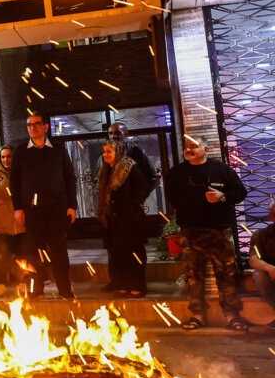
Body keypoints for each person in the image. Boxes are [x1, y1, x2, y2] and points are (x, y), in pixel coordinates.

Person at [164, 133, 249, 331]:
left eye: (194, 146)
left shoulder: (221, 170)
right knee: (193, 275)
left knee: (226, 273)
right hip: (190, 231)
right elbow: (172, 197)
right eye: (186, 146)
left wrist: (222, 196)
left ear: (206, 150)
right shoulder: (176, 173)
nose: (189, 149)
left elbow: (240, 192)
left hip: (219, 230)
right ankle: (197, 315)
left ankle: (231, 315)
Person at [10, 113, 78, 300]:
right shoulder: (21, 151)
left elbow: (70, 177)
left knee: (59, 249)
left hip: (57, 206)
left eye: (37, 124)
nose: (33, 127)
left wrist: (72, 205)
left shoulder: (58, 149)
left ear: (45, 127)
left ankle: (65, 289)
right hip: (32, 209)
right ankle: (36, 289)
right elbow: (14, 181)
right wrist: (18, 208)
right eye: (29, 125)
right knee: (35, 250)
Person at [96, 139, 153, 297]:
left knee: (133, 253)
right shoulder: (106, 170)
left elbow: (143, 188)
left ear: (118, 152)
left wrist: (133, 204)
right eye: (104, 151)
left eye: (109, 151)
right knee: (118, 253)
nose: (105, 154)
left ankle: (137, 286)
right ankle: (123, 285)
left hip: (129, 219)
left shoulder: (129, 168)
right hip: (112, 220)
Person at [0, 145, 26, 296]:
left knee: (22, 253)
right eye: (3, 157)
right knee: (3, 253)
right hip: (1, 218)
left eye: (9, 156)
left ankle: (22, 283)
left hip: (19, 216)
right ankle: (1, 283)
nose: (6, 159)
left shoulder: (21, 170)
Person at [245, 199, 275, 328]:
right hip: (272, 275)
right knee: (259, 276)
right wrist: (270, 268)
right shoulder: (261, 235)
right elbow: (253, 259)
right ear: (271, 217)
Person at [109, 122, 158, 188]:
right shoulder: (104, 156)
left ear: (126, 134)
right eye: (110, 133)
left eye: (117, 133)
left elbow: (152, 178)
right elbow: (98, 179)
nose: (113, 136)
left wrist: (139, 196)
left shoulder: (137, 153)